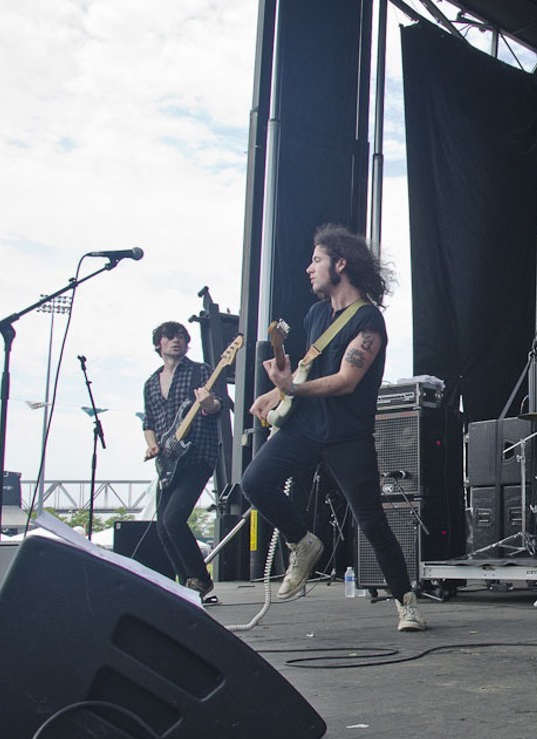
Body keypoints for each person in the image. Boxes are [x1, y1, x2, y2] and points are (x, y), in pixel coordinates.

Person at [241, 224, 425, 631]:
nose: (309, 268)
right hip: (305, 428)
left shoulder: (368, 320)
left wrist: (292, 387)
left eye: (317, 260)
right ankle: (302, 542)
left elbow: (345, 380)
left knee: (371, 521)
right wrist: (278, 394)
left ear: (340, 264)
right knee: (253, 482)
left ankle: (405, 601)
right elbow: (310, 370)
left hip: (347, 435)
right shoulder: (315, 314)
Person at [142, 321, 224, 601]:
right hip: (168, 460)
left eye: (181, 337)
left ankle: (201, 579)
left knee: (174, 518)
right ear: (158, 344)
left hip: (198, 454)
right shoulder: (151, 382)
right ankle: (184, 586)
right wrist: (152, 446)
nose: (176, 341)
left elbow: (217, 408)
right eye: (169, 337)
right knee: (163, 527)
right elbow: (149, 422)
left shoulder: (200, 371)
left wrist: (208, 404)